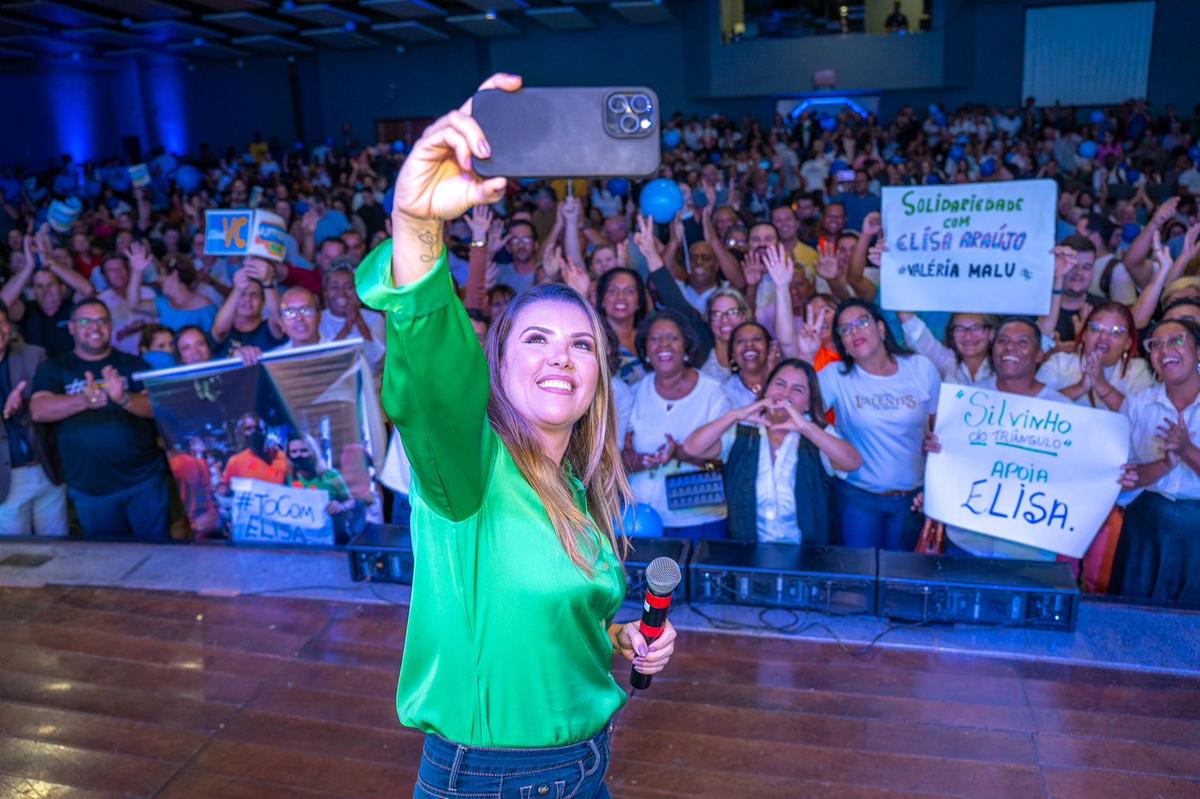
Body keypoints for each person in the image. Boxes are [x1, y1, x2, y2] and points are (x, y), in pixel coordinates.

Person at [354, 72, 674, 797]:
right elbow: (433, 375)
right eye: (535, 338)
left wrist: (622, 636)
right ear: (498, 364)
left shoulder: (574, 482)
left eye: (581, 344)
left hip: (586, 765)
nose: (560, 355)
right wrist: (416, 227)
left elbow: (547, 612)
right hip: (493, 782)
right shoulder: (466, 468)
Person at [29, 299, 169, 539]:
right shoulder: (54, 368)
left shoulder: (132, 363)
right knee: (107, 565)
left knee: (158, 558)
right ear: (71, 327)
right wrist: (83, 400)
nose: (95, 327)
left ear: (110, 326)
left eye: (102, 321)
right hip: (90, 489)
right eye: (85, 321)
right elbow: (39, 410)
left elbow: (158, 409)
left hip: (143, 482)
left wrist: (123, 398)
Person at [683, 359, 861, 543]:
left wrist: (806, 428)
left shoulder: (816, 434)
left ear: (808, 403)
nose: (784, 394)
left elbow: (853, 462)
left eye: (797, 390)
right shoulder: (742, 431)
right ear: (766, 390)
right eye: (779, 384)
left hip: (808, 553)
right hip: (748, 549)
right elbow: (692, 448)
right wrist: (735, 415)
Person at [816, 299, 941, 550]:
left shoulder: (920, 368)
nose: (854, 332)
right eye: (845, 329)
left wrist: (934, 444)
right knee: (857, 579)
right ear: (844, 345)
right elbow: (800, 407)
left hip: (912, 499)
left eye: (861, 323)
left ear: (881, 329)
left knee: (903, 580)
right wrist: (804, 353)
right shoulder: (835, 375)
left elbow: (940, 429)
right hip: (857, 498)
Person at [1112, 319, 1200, 607]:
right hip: (1146, 522)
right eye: (1155, 345)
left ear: (1198, 352)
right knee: (1131, 615)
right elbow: (1126, 476)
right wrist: (1165, 463)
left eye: (1176, 340)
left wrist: (1187, 449)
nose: (1165, 350)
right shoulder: (1138, 404)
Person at [624, 308, 731, 538]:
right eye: (655, 338)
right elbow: (619, 458)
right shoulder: (634, 393)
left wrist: (680, 454)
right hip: (643, 519)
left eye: (673, 338)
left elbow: (726, 462)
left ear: (686, 346)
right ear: (646, 350)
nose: (663, 344)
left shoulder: (713, 393)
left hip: (701, 520)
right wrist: (645, 460)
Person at [0, 302, 66, 534]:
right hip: (5, 479)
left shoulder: (33, 355)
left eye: (2, 323)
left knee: (61, 553)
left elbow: (53, 401)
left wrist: (25, 403)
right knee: (16, 561)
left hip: (45, 469)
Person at [1037, 303, 1154, 410]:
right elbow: (1034, 408)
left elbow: (1142, 418)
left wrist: (1101, 384)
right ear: (1083, 335)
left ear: (1128, 343)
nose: (1103, 337)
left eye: (1116, 332)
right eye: (1096, 328)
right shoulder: (1059, 362)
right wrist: (1080, 387)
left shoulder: (1138, 369)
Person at [285, 433, 358, 542]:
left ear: (313, 452)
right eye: (294, 452)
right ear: (289, 455)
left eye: (304, 450)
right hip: (302, 541)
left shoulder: (330, 475)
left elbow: (351, 501)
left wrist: (342, 506)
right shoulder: (289, 478)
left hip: (334, 539)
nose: (299, 455)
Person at [219, 412, 287, 492]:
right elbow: (224, 489)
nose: (254, 431)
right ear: (241, 433)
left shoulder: (282, 457)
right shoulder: (235, 461)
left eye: (257, 427)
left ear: (264, 430)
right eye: (248, 428)